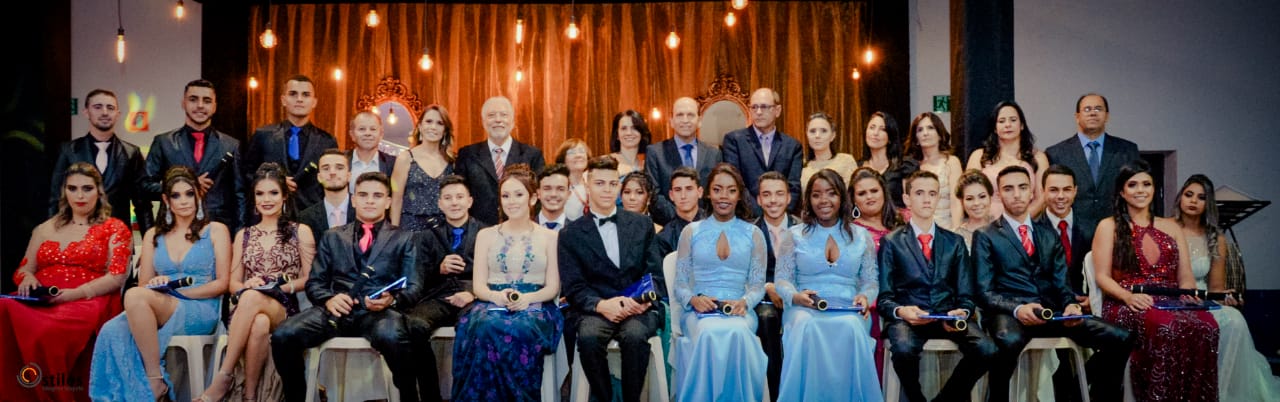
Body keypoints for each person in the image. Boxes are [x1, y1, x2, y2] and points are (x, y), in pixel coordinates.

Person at [973, 165, 1133, 402]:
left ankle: (1074, 392)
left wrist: (1070, 305)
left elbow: (1062, 283)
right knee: (1008, 341)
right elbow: (984, 292)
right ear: (999, 194)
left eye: (1022, 187)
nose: (1016, 194)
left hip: (1052, 314)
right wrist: (1018, 309)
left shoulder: (1048, 233)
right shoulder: (986, 235)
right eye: (1008, 189)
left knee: (1122, 337)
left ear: (1032, 192)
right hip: (1010, 314)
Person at [270, 172, 427, 402]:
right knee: (283, 335)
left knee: (394, 336)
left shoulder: (404, 238)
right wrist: (329, 299)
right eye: (363, 195)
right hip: (334, 311)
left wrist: (391, 300)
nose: (369, 201)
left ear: (388, 202)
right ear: (353, 200)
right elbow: (315, 283)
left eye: (377, 196)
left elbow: (414, 286)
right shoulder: (332, 236)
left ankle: (409, 397)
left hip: (378, 314)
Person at [89, 166, 230, 401]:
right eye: (176, 195)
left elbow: (223, 283)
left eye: (189, 194)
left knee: (133, 297)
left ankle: (155, 380)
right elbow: (144, 285)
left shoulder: (216, 230)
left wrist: (180, 293)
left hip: (201, 308)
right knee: (112, 329)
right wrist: (157, 283)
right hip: (161, 303)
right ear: (166, 200)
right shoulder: (153, 235)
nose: (183, 201)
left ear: (198, 194)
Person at [1, 162, 131, 401]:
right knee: (3, 306)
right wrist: (27, 277)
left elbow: (117, 277)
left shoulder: (115, 228)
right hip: (42, 297)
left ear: (99, 191)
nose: (80, 196)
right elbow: (23, 268)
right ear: (64, 192)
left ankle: (53, 395)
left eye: (87, 188)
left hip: (87, 300)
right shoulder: (44, 228)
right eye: (72, 188)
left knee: (46, 331)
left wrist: (71, 294)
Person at [1092, 161, 1219, 402]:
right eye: (1133, 185)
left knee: (1208, 326)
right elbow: (1102, 277)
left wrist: (1188, 292)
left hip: (1171, 300)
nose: (1140, 190)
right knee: (1164, 326)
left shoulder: (1171, 226)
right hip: (1127, 301)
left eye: (1146, 184)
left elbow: (1185, 275)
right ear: (1122, 192)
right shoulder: (1108, 226)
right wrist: (1128, 297)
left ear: (1154, 189)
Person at [197, 163, 316, 402]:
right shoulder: (244, 234)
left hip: (284, 306)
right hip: (247, 306)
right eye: (260, 193)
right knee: (259, 322)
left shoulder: (300, 231)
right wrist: (247, 286)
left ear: (284, 196)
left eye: (273, 193)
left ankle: (223, 377)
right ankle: (250, 396)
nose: (266, 199)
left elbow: (311, 278)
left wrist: (281, 287)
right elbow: (233, 283)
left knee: (253, 301)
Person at [877, 171, 996, 402]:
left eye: (932, 193)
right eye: (919, 193)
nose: (927, 199)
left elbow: (966, 296)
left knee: (987, 349)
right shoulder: (891, 242)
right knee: (903, 350)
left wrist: (963, 311)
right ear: (907, 199)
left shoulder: (954, 242)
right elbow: (885, 299)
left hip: (946, 317)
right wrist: (902, 311)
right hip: (908, 319)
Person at [451, 164, 563, 401]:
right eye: (506, 195)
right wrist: (496, 297)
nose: (511, 201)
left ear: (533, 198)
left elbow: (553, 287)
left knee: (519, 329)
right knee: (484, 326)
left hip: (536, 304)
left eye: (518, 194)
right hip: (491, 302)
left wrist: (527, 299)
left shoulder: (550, 237)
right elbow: (479, 286)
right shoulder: (486, 235)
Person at [559, 156, 663, 402]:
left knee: (635, 336)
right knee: (589, 337)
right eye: (600, 183)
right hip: (595, 309)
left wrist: (640, 302)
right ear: (587, 186)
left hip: (637, 307)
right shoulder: (570, 233)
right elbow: (574, 286)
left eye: (612, 184)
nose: (607, 190)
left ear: (618, 186)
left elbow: (654, 273)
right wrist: (601, 305)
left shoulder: (642, 224)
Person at [774, 170, 880, 401]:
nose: (824, 200)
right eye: (816, 194)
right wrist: (795, 296)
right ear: (808, 200)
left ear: (842, 197)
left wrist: (865, 297)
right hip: (805, 307)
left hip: (848, 308)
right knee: (805, 325)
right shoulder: (794, 235)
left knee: (851, 326)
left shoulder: (862, 236)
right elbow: (781, 279)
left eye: (831, 193)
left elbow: (871, 281)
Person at [1175, 174, 1280, 401]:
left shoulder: (1217, 238)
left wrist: (1226, 298)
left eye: (1201, 197)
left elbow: (1216, 287)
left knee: (1235, 319)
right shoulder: (1166, 228)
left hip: (1203, 299)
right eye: (1188, 194)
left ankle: (1221, 391)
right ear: (1180, 197)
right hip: (1172, 298)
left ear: (1208, 204)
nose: (1193, 201)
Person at [672, 163, 768, 401]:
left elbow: (758, 285)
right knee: (707, 331)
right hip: (698, 313)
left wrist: (745, 302)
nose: (724, 196)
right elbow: (680, 284)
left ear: (739, 195)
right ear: (707, 193)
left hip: (739, 311)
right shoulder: (691, 232)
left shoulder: (754, 234)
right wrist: (693, 300)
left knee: (738, 331)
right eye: (717, 189)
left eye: (731, 190)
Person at [143, 79, 245, 232]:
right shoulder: (164, 142)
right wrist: (185, 186)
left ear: (215, 106)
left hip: (217, 230)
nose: (200, 105)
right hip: (173, 228)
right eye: (193, 99)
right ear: (183, 103)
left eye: (207, 101)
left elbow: (240, 195)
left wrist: (240, 237)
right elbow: (145, 186)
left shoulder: (231, 145)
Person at [49, 89, 152, 233]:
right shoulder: (68, 151)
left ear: (118, 114)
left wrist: (150, 240)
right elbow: (55, 199)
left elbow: (142, 203)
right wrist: (53, 236)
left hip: (118, 237)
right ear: (86, 112)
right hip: (77, 236)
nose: (104, 112)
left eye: (110, 108)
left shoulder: (131, 153)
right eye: (98, 107)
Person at [1045, 93, 1141, 243]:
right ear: (1077, 116)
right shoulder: (1056, 153)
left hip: (1118, 232)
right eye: (1087, 109)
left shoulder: (1127, 150)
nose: (1092, 113)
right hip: (1073, 235)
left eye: (1098, 109)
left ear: (1107, 116)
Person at [243, 74, 339, 211]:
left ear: (314, 102)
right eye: (293, 94)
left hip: (312, 214)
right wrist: (274, 181)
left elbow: (333, 181)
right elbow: (247, 175)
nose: (299, 99)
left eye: (306, 95)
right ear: (283, 100)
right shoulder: (263, 135)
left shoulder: (327, 141)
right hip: (271, 213)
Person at [410, 175, 490, 341]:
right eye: (448, 198)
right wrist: (439, 269)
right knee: (414, 324)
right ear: (440, 204)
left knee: (472, 324)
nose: (454, 203)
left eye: (459, 197)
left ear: (470, 201)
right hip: (438, 297)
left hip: (474, 297)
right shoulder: (426, 236)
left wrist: (473, 293)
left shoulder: (487, 233)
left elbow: (496, 273)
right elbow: (417, 277)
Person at [456, 96, 547, 225]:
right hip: (478, 229)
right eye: (491, 115)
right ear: (483, 122)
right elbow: (460, 193)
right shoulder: (467, 154)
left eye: (504, 115)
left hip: (520, 227)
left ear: (513, 122)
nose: (498, 120)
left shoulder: (532, 154)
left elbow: (539, 195)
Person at [721, 88, 803, 213]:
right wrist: (760, 214)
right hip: (747, 216)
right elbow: (736, 184)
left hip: (782, 217)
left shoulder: (792, 146)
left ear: (777, 110)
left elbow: (793, 187)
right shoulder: (734, 141)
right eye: (754, 107)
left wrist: (778, 214)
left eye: (764, 107)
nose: (758, 112)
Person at [753, 171, 798, 399]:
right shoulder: (750, 232)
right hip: (765, 299)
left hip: (799, 296)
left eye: (779, 194)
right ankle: (776, 392)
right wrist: (768, 287)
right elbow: (744, 273)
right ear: (759, 199)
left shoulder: (804, 229)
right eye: (767, 194)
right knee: (766, 318)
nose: (773, 200)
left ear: (788, 198)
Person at [965, 100, 1050, 219]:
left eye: (1013, 120)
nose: (1008, 125)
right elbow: (967, 194)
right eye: (1001, 121)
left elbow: (1042, 199)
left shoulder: (1038, 157)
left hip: (1024, 223)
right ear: (995, 128)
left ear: (1022, 125)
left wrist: (1016, 223)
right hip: (985, 223)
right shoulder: (978, 156)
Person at [645, 97, 721, 225]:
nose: (685, 120)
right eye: (680, 115)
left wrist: (701, 220)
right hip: (670, 227)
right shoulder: (655, 153)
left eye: (690, 115)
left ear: (699, 121)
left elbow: (717, 191)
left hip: (707, 225)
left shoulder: (714, 154)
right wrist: (682, 219)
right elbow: (654, 195)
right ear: (671, 121)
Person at [391, 104, 455, 231]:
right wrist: (394, 235)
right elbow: (396, 200)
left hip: (443, 230)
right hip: (410, 229)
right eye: (429, 121)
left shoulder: (452, 161)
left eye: (439, 123)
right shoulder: (405, 159)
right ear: (420, 126)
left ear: (445, 130)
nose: (433, 127)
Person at [906, 112, 963, 230]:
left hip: (946, 228)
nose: (925, 133)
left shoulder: (951, 162)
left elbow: (956, 202)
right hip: (917, 229)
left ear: (940, 134)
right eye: (920, 130)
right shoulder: (911, 166)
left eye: (930, 128)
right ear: (916, 139)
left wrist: (956, 232)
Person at [860, 111, 917, 213]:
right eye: (872, 127)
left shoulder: (904, 166)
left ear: (890, 137)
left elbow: (912, 205)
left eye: (882, 129)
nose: (875, 133)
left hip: (897, 221)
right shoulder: (857, 166)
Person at [651, 167, 707, 261]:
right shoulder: (664, 239)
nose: (683, 196)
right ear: (671, 195)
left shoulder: (718, 225)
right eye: (678, 190)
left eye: (689, 189)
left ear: (700, 192)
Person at [297, 149, 356, 236]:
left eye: (339, 168)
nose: (332, 172)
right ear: (319, 177)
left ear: (349, 175)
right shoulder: (305, 217)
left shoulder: (364, 210)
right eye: (326, 168)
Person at [800, 112, 857, 192]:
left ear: (833, 135)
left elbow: (854, 192)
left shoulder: (846, 161)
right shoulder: (801, 165)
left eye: (823, 131)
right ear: (807, 134)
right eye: (812, 131)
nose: (817, 135)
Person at [850, 167, 901, 249]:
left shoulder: (902, 219)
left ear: (884, 192)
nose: (869, 196)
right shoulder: (851, 232)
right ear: (854, 199)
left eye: (874, 191)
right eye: (862, 193)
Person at [347, 111, 396, 191]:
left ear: (381, 134)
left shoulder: (393, 164)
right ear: (352, 134)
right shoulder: (341, 161)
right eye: (362, 129)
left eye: (373, 129)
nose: (368, 133)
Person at [953, 169, 994, 247]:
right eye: (969, 199)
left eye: (982, 196)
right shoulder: (956, 237)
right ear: (962, 202)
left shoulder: (1002, 231)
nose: (976, 203)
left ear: (990, 197)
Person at [555, 139, 592, 221]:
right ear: (563, 159)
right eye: (571, 152)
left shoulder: (593, 183)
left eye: (582, 151)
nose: (578, 155)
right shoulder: (558, 187)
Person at [609, 110, 652, 176]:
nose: (629, 133)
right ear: (617, 134)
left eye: (634, 128)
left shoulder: (648, 165)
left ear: (642, 133)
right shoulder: (607, 163)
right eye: (624, 128)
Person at [535, 163, 572, 231]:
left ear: (568, 194)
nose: (553, 194)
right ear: (538, 193)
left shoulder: (578, 231)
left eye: (560, 189)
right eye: (547, 188)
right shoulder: (523, 228)